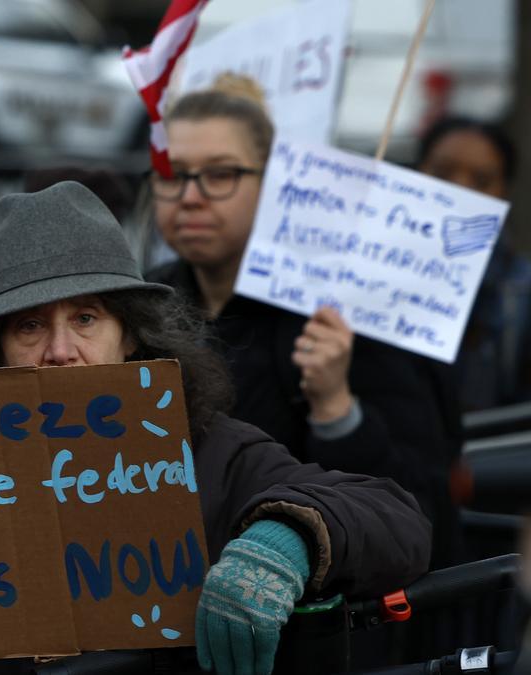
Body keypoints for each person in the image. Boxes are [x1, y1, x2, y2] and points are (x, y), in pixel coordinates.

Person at [0, 181, 433, 675]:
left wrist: (286, 539)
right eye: (28, 325)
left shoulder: (207, 449)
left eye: (85, 318)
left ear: (129, 336)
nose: (59, 349)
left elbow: (397, 516)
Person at [144, 77, 464, 571]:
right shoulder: (144, 305)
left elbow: (414, 509)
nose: (190, 196)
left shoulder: (344, 310)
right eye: (172, 174)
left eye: (221, 173)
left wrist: (336, 409)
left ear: (274, 184)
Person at [415, 116, 531, 411]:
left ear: (503, 191)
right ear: (418, 172)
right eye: (442, 174)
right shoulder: (366, 274)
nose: (460, 189)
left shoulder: (521, 293)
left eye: (481, 181)